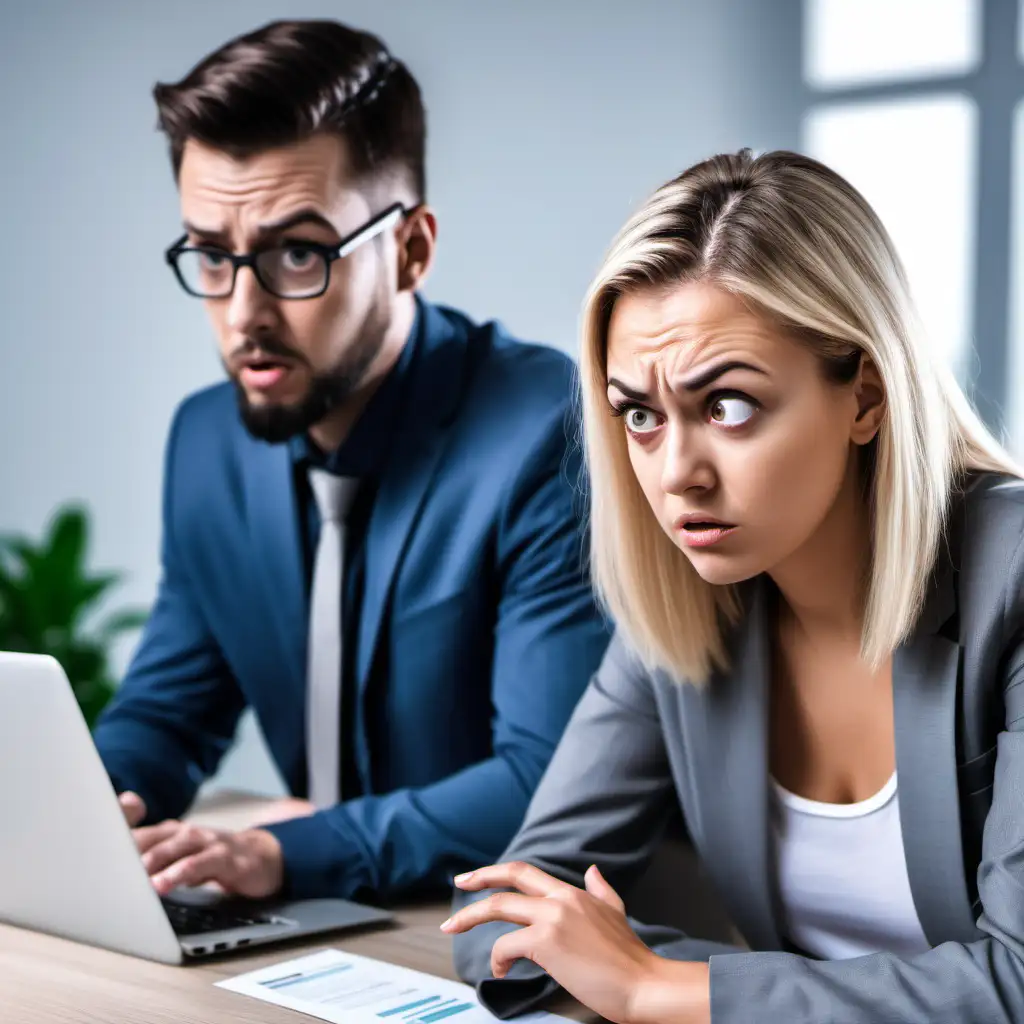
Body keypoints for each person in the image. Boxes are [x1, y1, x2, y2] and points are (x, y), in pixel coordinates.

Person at [445, 149, 1024, 1023]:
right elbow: (503, 916)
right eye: (640, 414)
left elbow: (1016, 985)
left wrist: (652, 983)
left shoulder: (1013, 579)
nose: (678, 475)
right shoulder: (685, 603)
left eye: (729, 406)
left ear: (865, 396)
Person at [92, 19, 610, 904]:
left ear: (410, 249)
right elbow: (169, 712)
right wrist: (94, 811)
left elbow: (545, 785)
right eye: (212, 256)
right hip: (321, 929)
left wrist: (283, 854)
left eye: (297, 252)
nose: (242, 312)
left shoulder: (544, 432)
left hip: (497, 931)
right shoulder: (208, 442)